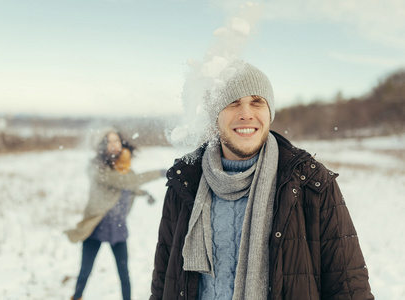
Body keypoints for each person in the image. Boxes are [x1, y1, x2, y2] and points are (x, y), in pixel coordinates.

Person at [149, 60, 374, 299]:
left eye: (256, 102)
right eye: (233, 103)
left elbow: (349, 289)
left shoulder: (311, 182)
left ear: (269, 113)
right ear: (215, 115)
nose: (246, 114)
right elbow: (164, 281)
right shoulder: (185, 181)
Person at [66, 129, 165, 300]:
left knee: (124, 274)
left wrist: (143, 193)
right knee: (85, 271)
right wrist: (161, 172)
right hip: (95, 227)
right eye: (109, 141)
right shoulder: (98, 168)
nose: (114, 145)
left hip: (117, 228)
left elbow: (129, 185)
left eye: (116, 141)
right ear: (103, 146)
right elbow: (123, 182)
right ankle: (76, 297)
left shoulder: (126, 169)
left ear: (122, 143)